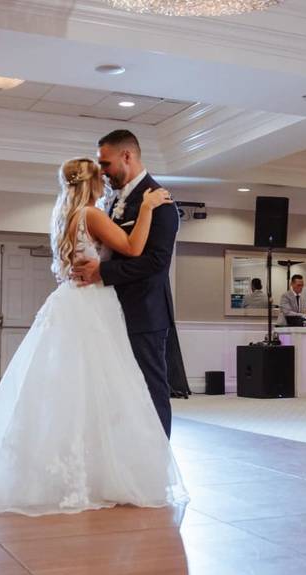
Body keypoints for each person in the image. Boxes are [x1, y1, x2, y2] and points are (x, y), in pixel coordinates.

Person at [0, 158, 186, 516]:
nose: (107, 182)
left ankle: (76, 470)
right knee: (104, 386)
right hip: (93, 303)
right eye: (102, 177)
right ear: (93, 182)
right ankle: (104, 471)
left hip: (67, 300)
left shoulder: (60, 214)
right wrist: (145, 207)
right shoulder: (91, 214)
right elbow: (132, 247)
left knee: (70, 389)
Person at [71, 130, 181, 439]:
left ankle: (157, 460)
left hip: (144, 314)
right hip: (109, 311)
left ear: (127, 157)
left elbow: (157, 262)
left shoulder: (160, 203)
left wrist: (103, 272)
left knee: (150, 387)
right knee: (119, 390)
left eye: (105, 164)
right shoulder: (111, 202)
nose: (102, 171)